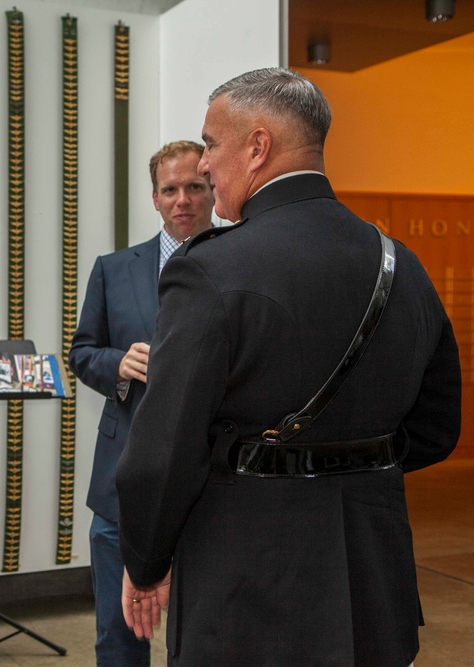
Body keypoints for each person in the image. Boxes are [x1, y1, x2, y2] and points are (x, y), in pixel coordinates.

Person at [117, 68, 461, 667]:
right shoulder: (401, 265)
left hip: (249, 589)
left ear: (257, 146)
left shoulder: (210, 271)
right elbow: (436, 429)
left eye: (211, 144)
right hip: (375, 586)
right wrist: (354, 460)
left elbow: (163, 451)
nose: (202, 165)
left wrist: (146, 563)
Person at [68, 140, 213, 665]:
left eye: (194, 187)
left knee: (206, 634)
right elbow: (82, 352)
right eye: (170, 189)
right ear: (153, 198)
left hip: (213, 485)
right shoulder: (113, 269)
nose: (183, 200)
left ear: (213, 189)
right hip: (123, 481)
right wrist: (116, 366)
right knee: (120, 631)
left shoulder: (243, 262)